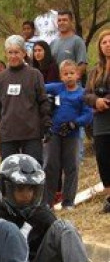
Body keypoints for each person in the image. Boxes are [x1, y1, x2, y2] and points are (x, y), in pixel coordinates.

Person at [0, 155, 109, 262]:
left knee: (64, 227)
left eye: (32, 189)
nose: (27, 195)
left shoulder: (42, 215)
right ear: (5, 187)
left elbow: (61, 251)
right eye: (20, 189)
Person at [0, 35, 52, 163]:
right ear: (5, 54)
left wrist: (47, 125)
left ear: (24, 53)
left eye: (16, 52)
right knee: (9, 174)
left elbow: (43, 102)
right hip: (8, 134)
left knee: (33, 171)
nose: (13, 56)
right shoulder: (0, 78)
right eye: (10, 52)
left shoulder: (34, 75)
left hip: (31, 133)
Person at [44, 60, 92, 209]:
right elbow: (39, 87)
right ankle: (47, 202)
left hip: (73, 134)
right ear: (61, 76)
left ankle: (68, 201)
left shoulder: (83, 93)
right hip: (54, 133)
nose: (69, 76)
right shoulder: (57, 88)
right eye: (65, 74)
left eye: (72, 73)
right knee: (51, 166)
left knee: (71, 167)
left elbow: (88, 114)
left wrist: (74, 123)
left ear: (77, 75)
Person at [85, 29, 110, 214]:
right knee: (103, 158)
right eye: (104, 42)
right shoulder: (95, 71)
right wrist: (97, 101)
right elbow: (86, 95)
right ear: (99, 47)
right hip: (100, 121)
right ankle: (109, 197)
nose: (107, 45)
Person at [50, 10, 88, 79]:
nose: (61, 22)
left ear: (71, 22)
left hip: (72, 85)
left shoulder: (77, 41)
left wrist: (71, 81)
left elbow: (82, 65)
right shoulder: (53, 43)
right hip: (56, 84)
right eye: (59, 20)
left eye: (65, 20)